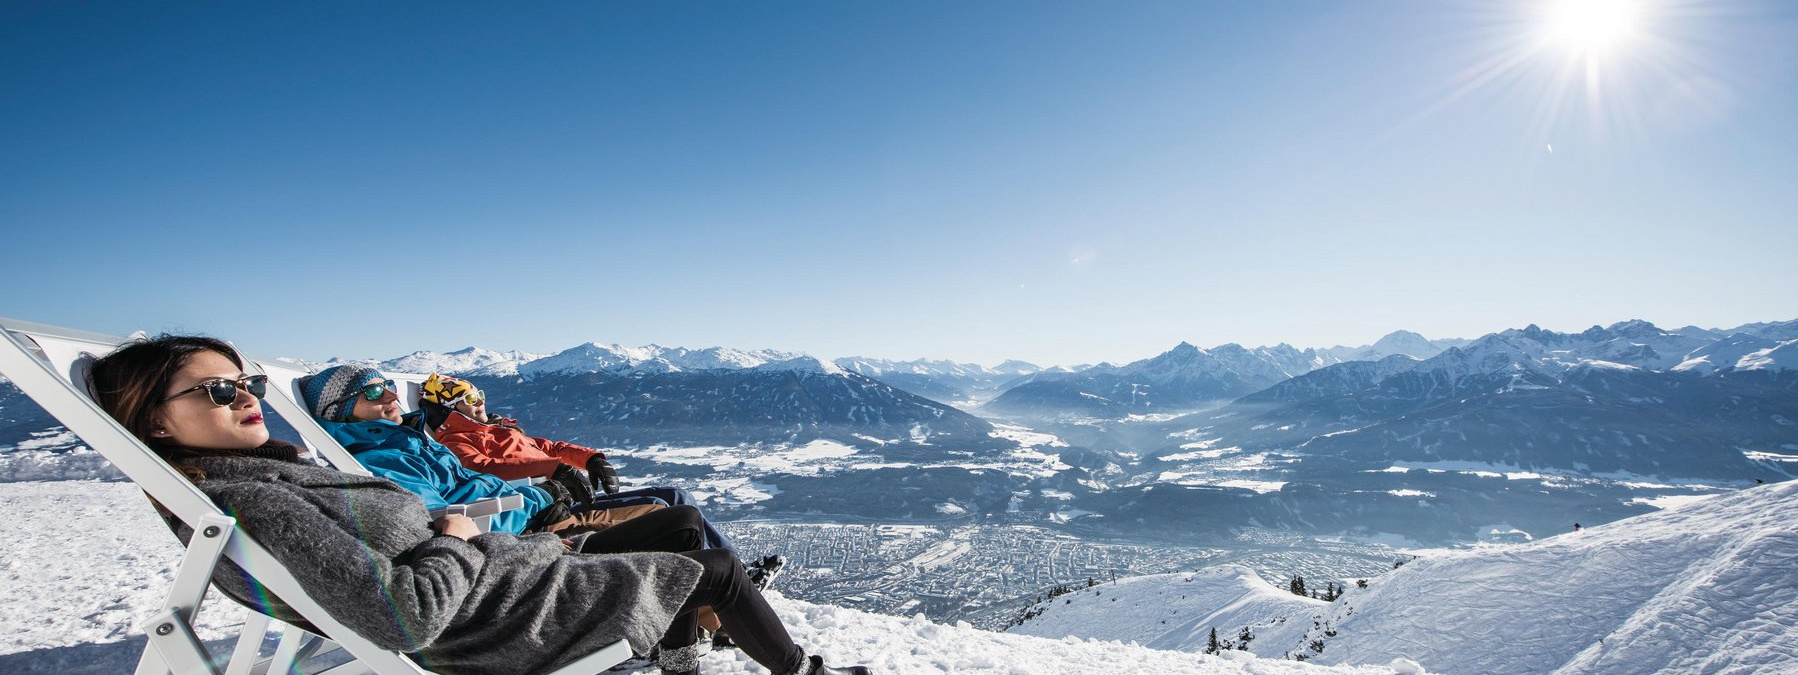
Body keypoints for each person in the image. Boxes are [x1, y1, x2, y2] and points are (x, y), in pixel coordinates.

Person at [88, 335, 869, 675]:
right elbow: (402, 616)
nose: (248, 399)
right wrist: (463, 534)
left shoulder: (270, 476)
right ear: (155, 420)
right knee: (716, 566)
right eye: (222, 391)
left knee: (681, 535)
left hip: (500, 571)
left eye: (249, 384)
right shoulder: (257, 500)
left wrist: (478, 524)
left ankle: (682, 649)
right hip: (494, 614)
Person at [413, 373, 782, 585]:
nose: (479, 404)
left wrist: (590, 458)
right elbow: (486, 471)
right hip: (553, 499)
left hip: (565, 487)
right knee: (662, 510)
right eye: (468, 401)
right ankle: (715, 580)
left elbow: (546, 445)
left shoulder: (494, 428)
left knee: (675, 494)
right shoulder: (455, 439)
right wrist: (552, 470)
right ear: (449, 408)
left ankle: (731, 567)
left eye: (478, 397)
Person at [298, 364, 673, 549]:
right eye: (375, 392)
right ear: (339, 410)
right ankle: (699, 629)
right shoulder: (387, 457)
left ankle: (705, 621)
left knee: (672, 511)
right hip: (528, 529)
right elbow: (442, 517)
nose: (392, 397)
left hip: (531, 511)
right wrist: (546, 488)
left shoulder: (415, 441)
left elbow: (542, 449)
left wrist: (589, 459)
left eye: (391, 388)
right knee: (671, 517)